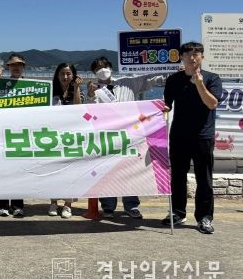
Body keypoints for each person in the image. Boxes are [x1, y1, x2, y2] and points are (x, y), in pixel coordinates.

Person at [86, 56, 167, 219]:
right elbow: (89, 112)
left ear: (111, 67)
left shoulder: (127, 82)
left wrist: (173, 72)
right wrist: (90, 95)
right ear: (94, 72)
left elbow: (152, 80)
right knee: (107, 171)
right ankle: (108, 206)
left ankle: (131, 206)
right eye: (97, 68)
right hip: (107, 135)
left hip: (130, 135)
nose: (102, 70)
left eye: (104, 66)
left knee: (130, 170)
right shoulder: (93, 89)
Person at [162, 42, 222, 234]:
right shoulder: (173, 80)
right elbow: (166, 105)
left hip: (203, 135)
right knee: (177, 176)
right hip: (179, 135)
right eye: (187, 54)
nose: (192, 58)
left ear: (202, 57)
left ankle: (204, 217)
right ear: (181, 57)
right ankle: (177, 213)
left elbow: (212, 104)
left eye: (196, 54)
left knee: (204, 178)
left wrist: (199, 84)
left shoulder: (212, 78)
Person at [0, 53, 28, 217]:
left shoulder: (33, 85)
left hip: (22, 133)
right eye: (13, 65)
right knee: (2, 170)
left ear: (23, 67)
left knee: (19, 172)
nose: (16, 67)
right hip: (2, 132)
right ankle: (2, 205)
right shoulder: (2, 83)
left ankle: (17, 205)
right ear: (8, 67)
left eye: (19, 64)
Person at [48, 63, 83, 219]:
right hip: (52, 136)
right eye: (62, 73)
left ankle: (68, 204)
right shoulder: (49, 91)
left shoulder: (76, 90)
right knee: (52, 170)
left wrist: (76, 88)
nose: (65, 76)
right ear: (57, 75)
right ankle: (53, 202)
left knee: (71, 171)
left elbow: (79, 109)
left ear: (73, 75)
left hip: (71, 137)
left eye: (68, 73)